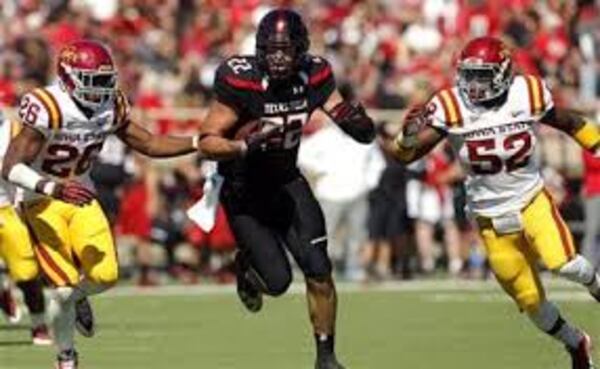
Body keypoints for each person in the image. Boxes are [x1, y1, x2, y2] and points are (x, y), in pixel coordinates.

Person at [392, 36, 600, 369]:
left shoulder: (526, 93)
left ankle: (595, 284)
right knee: (531, 301)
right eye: (469, 75)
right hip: (488, 218)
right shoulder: (452, 104)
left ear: (503, 72)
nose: (473, 85)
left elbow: (570, 122)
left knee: (564, 263)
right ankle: (576, 343)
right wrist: (405, 137)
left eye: (483, 75)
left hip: (531, 200)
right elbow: (405, 155)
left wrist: (597, 145)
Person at [2, 40, 201, 369]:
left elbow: (148, 142)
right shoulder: (48, 105)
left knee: (106, 275)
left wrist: (196, 142)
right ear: (68, 78)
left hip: (80, 195)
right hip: (41, 201)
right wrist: (52, 186)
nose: (102, 88)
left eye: (106, 79)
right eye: (92, 80)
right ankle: (66, 357)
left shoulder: (111, 106)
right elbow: (10, 166)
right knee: (61, 290)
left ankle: (79, 298)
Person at [197, 9, 375, 369]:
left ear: (301, 50)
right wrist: (244, 146)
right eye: (271, 49)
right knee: (277, 283)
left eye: (286, 50)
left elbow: (346, 116)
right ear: (260, 49)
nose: (278, 57)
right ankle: (246, 265)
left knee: (318, 268)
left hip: (287, 181)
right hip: (243, 190)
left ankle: (326, 357)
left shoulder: (315, 73)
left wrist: (359, 124)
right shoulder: (240, 79)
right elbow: (206, 140)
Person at [0, 114, 51, 345]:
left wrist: (24, 203)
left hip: (6, 209)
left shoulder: (15, 131)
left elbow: (28, 170)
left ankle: (39, 323)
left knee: (27, 272)